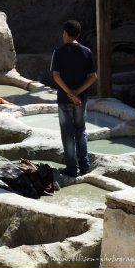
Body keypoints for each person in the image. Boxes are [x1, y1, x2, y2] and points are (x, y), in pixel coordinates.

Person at [50, 20, 98, 177]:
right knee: (81, 130)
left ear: (65, 33)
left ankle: (71, 168)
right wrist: (77, 93)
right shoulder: (87, 52)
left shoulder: (59, 51)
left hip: (65, 99)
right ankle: (84, 165)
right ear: (78, 34)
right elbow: (93, 77)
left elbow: (56, 76)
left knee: (67, 132)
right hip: (81, 99)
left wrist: (69, 93)